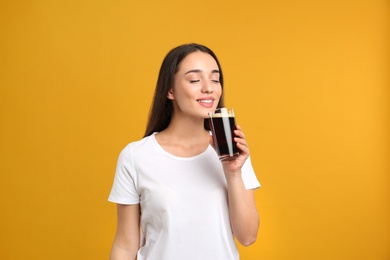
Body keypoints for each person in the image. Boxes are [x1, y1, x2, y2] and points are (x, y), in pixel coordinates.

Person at [108, 43, 261, 260]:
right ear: (170, 90)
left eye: (215, 79)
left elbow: (248, 236)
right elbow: (125, 245)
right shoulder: (135, 156)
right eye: (195, 80)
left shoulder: (233, 153)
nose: (209, 88)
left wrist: (233, 172)